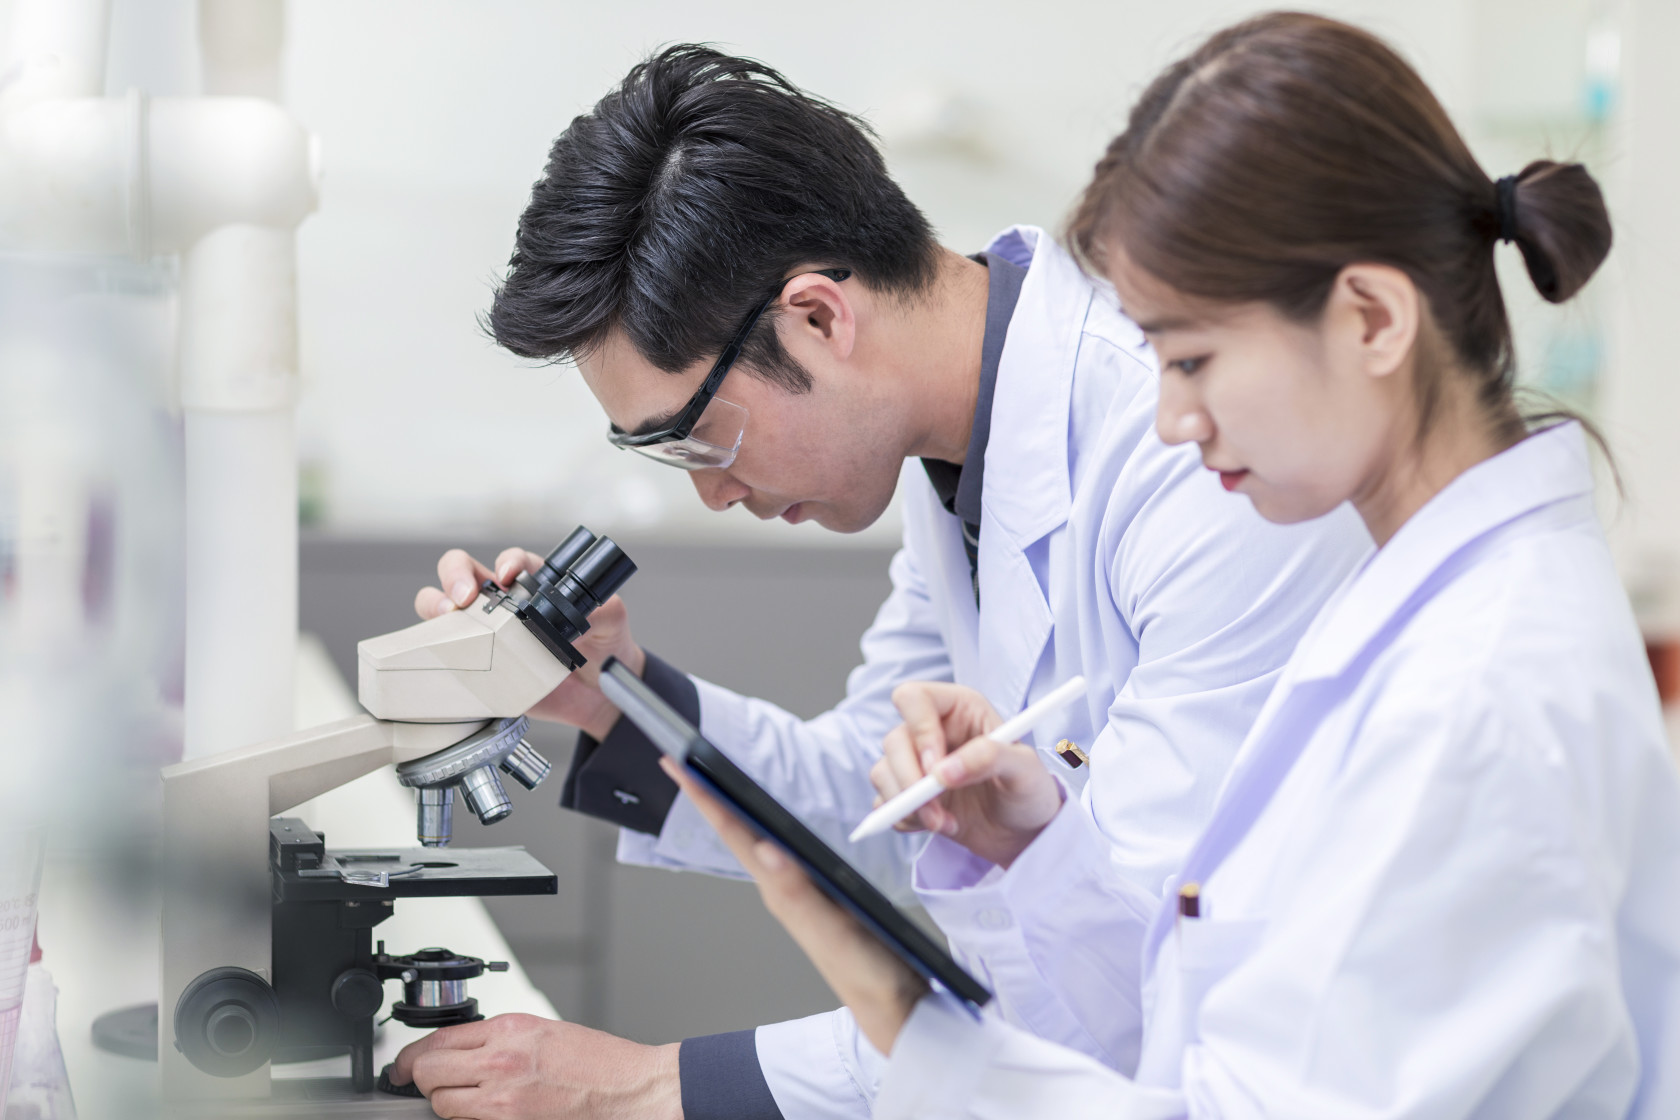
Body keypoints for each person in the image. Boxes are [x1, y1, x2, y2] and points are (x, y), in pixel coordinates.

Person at [678, 12, 1680, 1118]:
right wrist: (1042, 842)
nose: (1168, 420)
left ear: (1372, 320)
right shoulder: (1416, 617)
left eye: (1192, 358)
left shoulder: (1477, 692)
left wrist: (910, 1025)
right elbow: (1199, 1023)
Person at [387, 43, 1369, 1120]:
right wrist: (608, 690)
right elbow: (881, 800)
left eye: (699, 440)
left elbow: (1131, 975)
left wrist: (650, 1085)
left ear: (818, 317)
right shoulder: (955, 462)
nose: (713, 496)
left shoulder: (1193, 455)